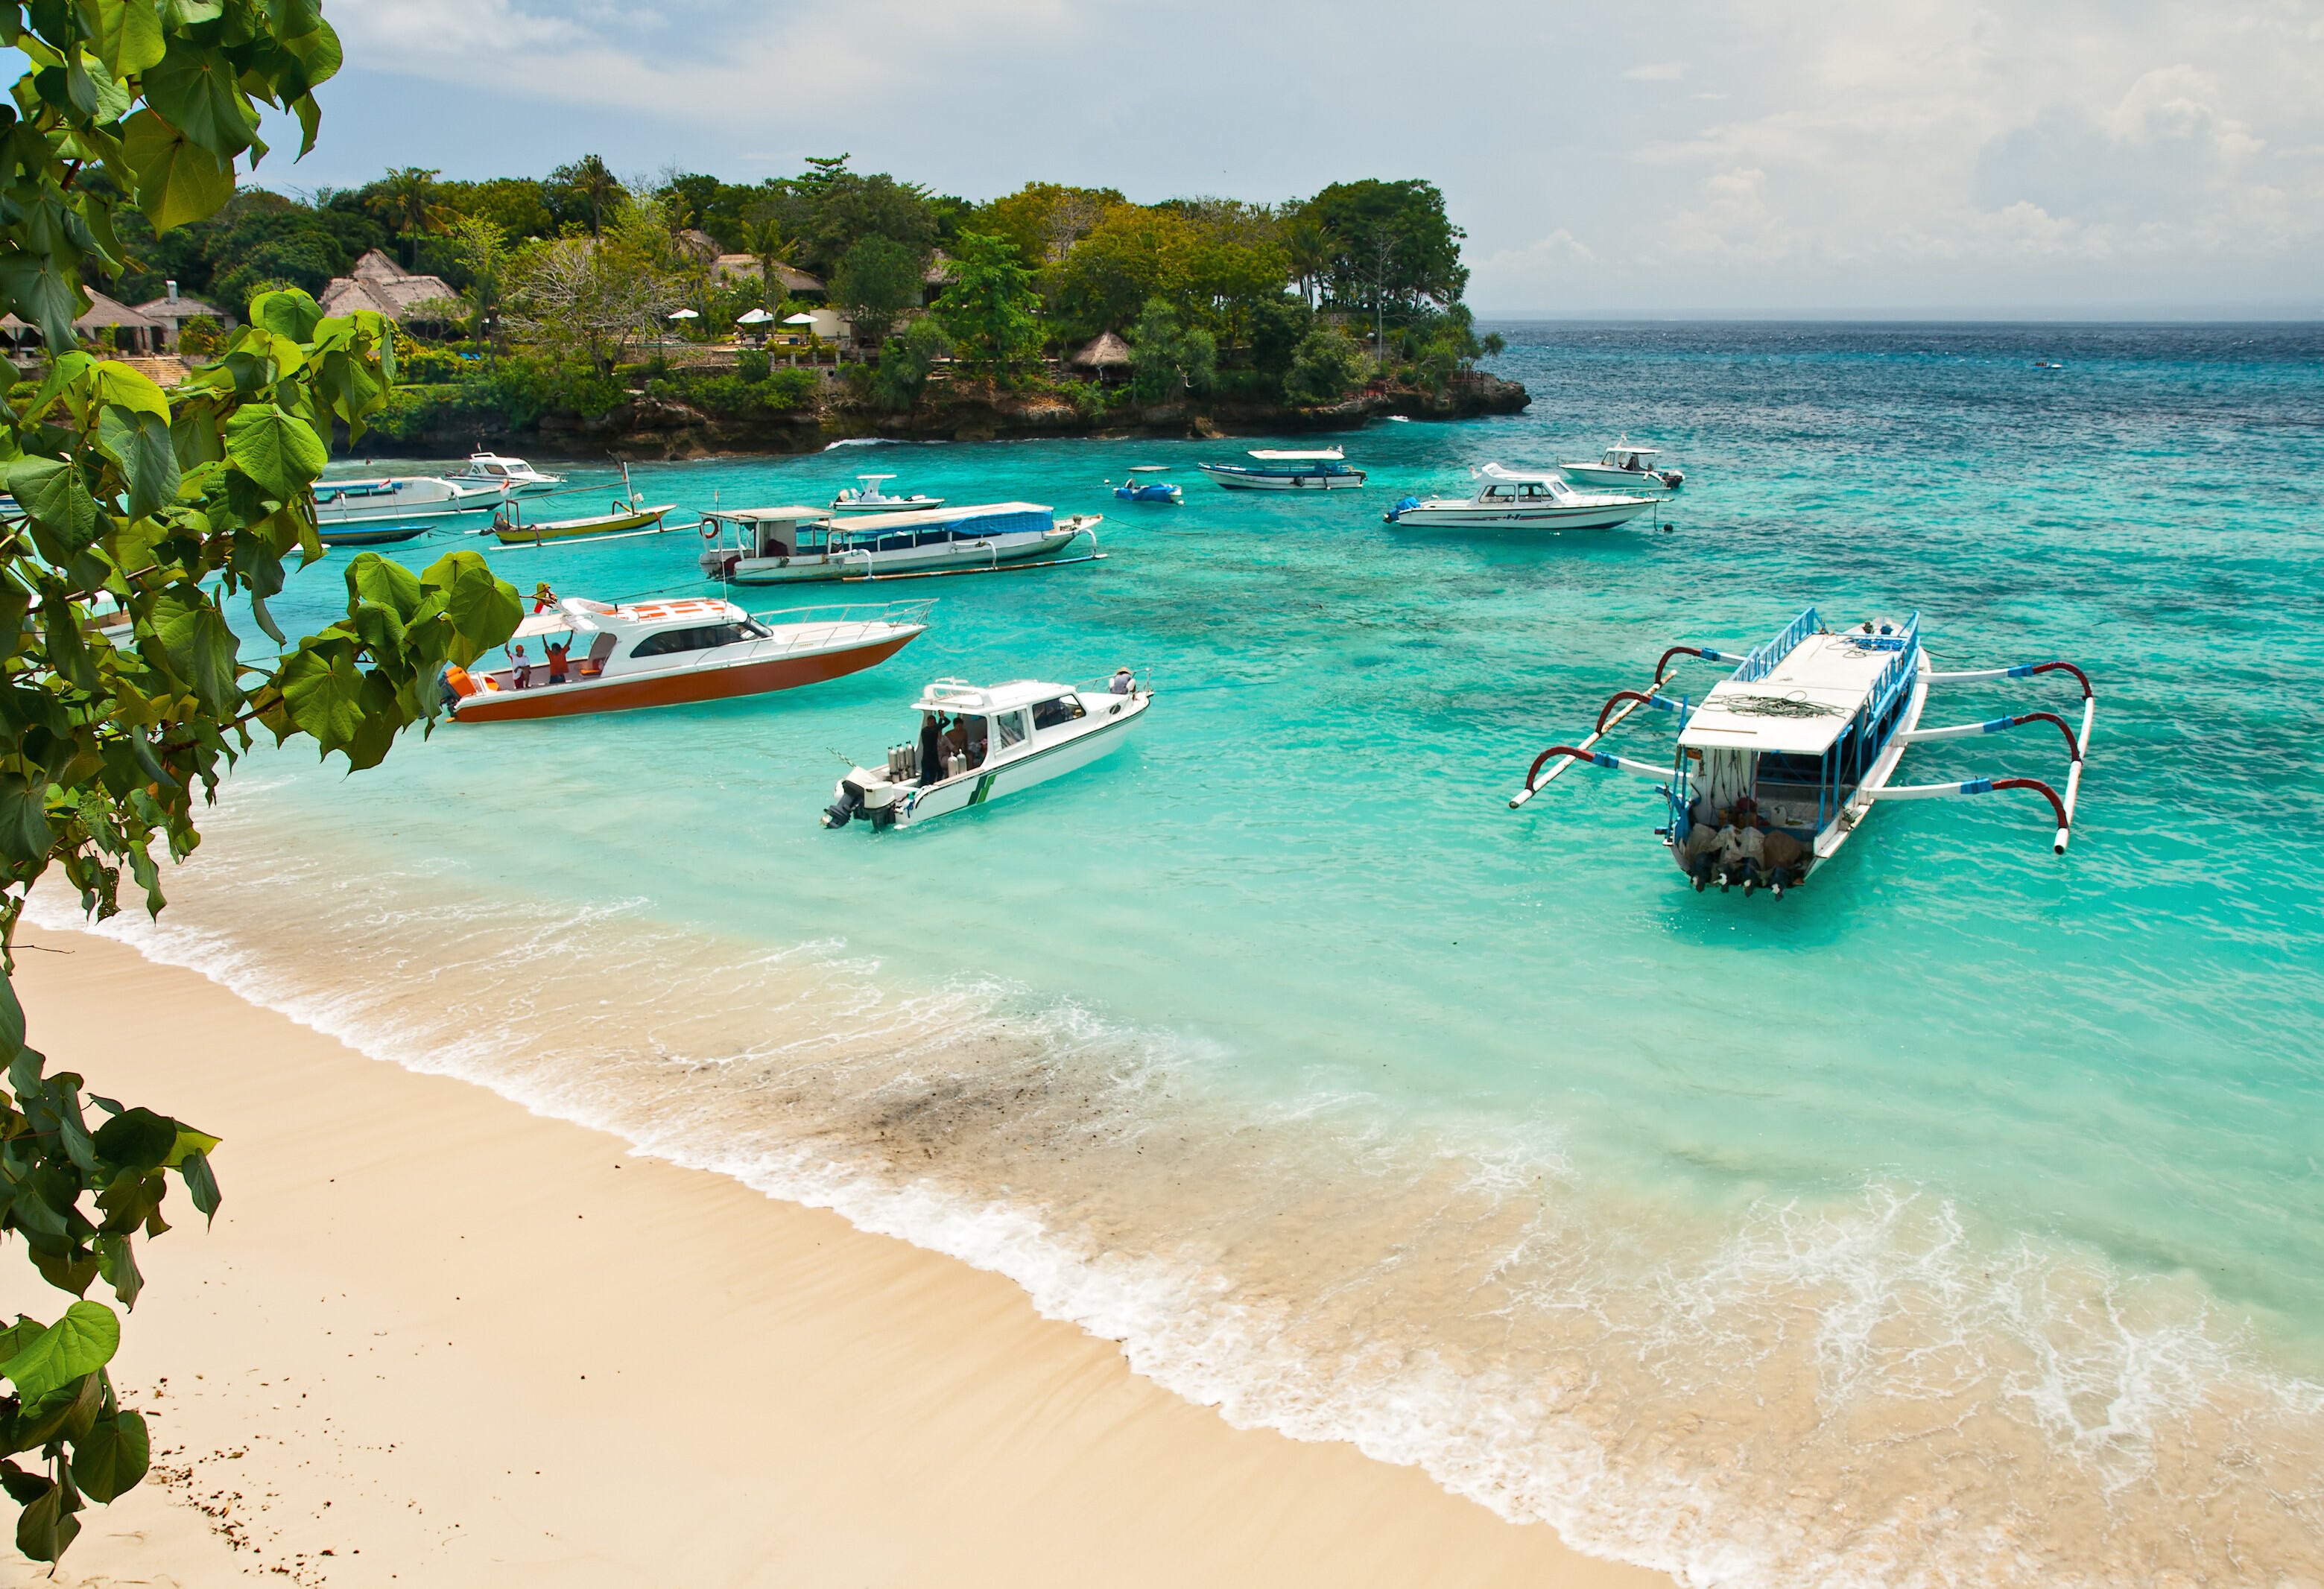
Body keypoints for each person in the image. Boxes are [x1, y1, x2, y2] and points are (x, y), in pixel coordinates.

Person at [916, 712, 946, 783]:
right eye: (930, 722)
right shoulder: (926, 731)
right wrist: (941, 718)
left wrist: (942, 718)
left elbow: (946, 723)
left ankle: (938, 784)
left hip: (934, 757)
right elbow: (937, 728)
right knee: (928, 777)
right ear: (927, 723)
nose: (932, 724)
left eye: (933, 722)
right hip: (928, 758)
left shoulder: (934, 729)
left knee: (940, 772)